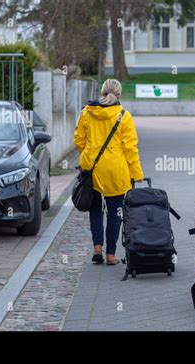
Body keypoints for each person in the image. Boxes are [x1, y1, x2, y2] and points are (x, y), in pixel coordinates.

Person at [74, 79, 144, 265]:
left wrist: (88, 154)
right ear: (119, 95)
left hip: (92, 168)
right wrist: (136, 174)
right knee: (115, 212)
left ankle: (97, 247)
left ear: (102, 92)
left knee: (95, 208)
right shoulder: (124, 116)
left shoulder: (87, 112)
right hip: (115, 170)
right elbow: (131, 148)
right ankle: (111, 255)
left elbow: (79, 140)